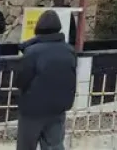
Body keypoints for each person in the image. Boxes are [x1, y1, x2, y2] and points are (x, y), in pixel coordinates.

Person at [15, 9, 77, 150]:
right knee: (54, 145)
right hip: (58, 107)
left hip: (33, 109)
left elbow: (21, 80)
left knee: (26, 145)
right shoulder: (69, 51)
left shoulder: (32, 52)